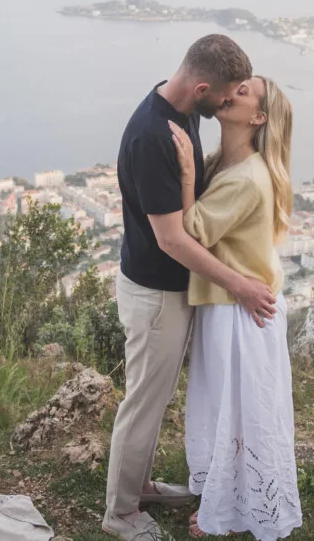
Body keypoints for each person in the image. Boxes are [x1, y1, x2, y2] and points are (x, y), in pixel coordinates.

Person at [103, 35, 280, 541]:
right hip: (156, 294)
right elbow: (174, 239)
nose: (227, 104)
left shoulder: (185, 112)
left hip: (169, 290)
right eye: (223, 97)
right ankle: (120, 513)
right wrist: (240, 286)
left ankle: (141, 487)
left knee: (154, 400)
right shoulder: (153, 137)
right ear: (201, 87)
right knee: (142, 401)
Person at [170, 75, 302, 540]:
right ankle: (227, 502)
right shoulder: (228, 164)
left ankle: (228, 512)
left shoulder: (245, 176)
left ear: (258, 117)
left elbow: (190, 229)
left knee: (240, 414)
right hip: (233, 306)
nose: (233, 92)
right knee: (231, 410)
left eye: (245, 92)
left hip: (241, 312)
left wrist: (185, 176)